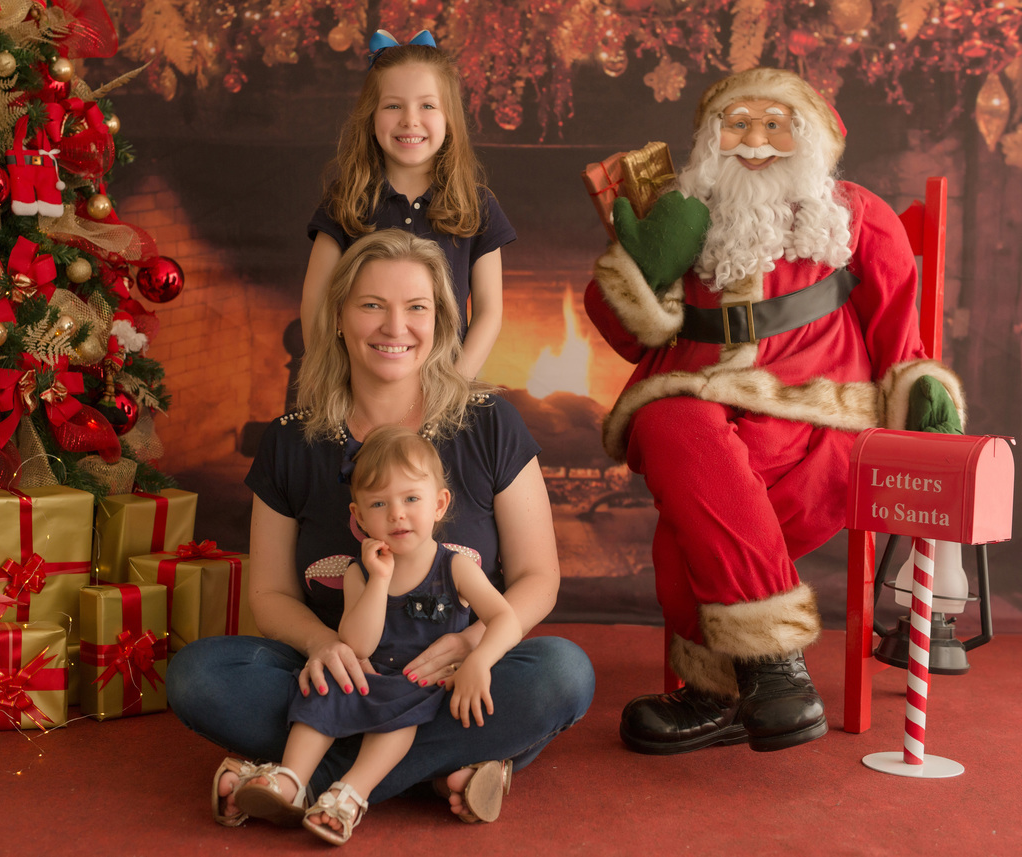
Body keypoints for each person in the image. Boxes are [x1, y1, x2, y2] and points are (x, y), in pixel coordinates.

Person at [583, 67, 964, 755]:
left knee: (674, 453)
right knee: (675, 438)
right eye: (738, 124)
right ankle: (761, 679)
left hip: (818, 433)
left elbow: (900, 337)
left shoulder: (853, 214)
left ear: (810, 136)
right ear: (711, 140)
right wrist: (638, 264)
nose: (755, 140)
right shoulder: (689, 214)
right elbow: (624, 337)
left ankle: (730, 685)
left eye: (774, 123)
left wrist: (923, 401)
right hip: (707, 435)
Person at [166, 228, 593, 827]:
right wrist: (323, 647)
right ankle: (446, 770)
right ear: (339, 317)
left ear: (441, 321)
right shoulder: (291, 439)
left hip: (449, 678)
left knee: (563, 674)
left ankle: (303, 778)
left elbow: (537, 577)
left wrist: (471, 647)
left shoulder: (491, 422)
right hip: (343, 678)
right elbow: (269, 595)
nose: (396, 327)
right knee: (198, 677)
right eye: (372, 305)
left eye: (416, 307)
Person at [230, 425, 523, 845]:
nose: (397, 514)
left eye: (411, 499)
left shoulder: (455, 567)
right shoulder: (359, 573)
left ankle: (350, 793)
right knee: (325, 686)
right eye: (379, 504)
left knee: (407, 714)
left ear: (440, 504)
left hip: (424, 690)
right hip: (368, 678)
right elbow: (359, 644)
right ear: (360, 516)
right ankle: (290, 780)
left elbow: (507, 619)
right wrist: (380, 581)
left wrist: (478, 659)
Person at [300, 29, 515, 379]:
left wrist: (454, 388)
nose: (409, 120)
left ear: (449, 119)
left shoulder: (477, 205)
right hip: (361, 388)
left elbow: (490, 311)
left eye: (427, 105)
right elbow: (315, 302)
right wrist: (330, 382)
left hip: (444, 389)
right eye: (393, 106)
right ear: (371, 117)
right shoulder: (346, 198)